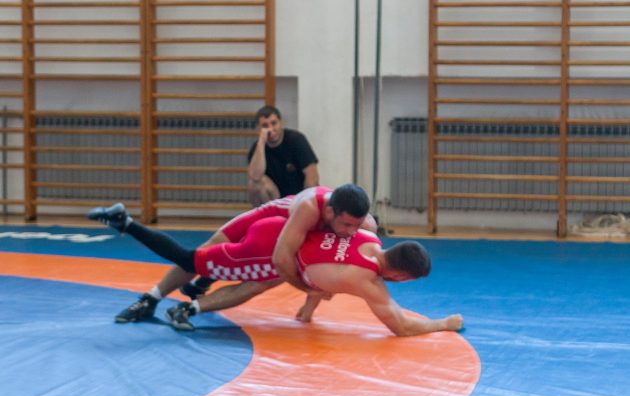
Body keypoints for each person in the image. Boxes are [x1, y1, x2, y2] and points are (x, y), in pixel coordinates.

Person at [87, 207, 463, 337]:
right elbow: (401, 326)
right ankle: (127, 224)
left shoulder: (366, 233)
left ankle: (195, 289)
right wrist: (443, 324)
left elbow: (328, 272)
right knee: (191, 259)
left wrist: (309, 309)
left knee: (214, 262)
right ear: (400, 276)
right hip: (270, 250)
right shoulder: (369, 283)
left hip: (279, 224)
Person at [94, 184, 377, 323]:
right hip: (276, 221)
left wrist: (310, 304)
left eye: (357, 226)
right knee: (207, 252)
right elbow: (282, 260)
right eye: (346, 225)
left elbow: (329, 266)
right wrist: (308, 290)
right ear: (330, 212)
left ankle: (198, 287)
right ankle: (151, 299)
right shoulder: (309, 210)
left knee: (242, 276)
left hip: (286, 237)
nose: (351, 232)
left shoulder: (363, 227)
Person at [247, 105, 319, 206]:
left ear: (281, 123)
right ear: (259, 129)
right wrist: (262, 141)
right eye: (265, 126)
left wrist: (304, 204)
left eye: (274, 123)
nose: (271, 129)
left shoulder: (296, 140)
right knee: (254, 184)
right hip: (275, 198)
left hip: (298, 199)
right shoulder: (257, 149)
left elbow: (312, 176)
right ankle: (268, 213)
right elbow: (255, 177)